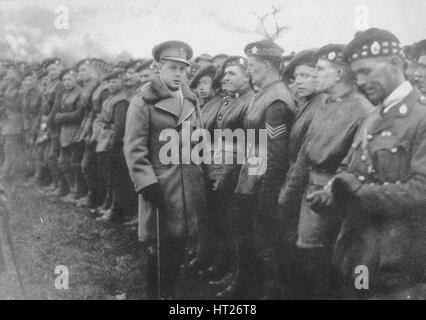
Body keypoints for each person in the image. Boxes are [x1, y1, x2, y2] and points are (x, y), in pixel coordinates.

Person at [307, 28, 426, 299]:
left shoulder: (421, 117)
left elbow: (422, 190)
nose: (360, 80)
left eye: (367, 71)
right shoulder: (374, 115)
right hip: (360, 251)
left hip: (399, 260)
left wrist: (358, 194)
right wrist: (331, 193)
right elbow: (350, 168)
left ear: (396, 64)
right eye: (357, 73)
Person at [279, 44, 373, 299]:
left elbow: (354, 167)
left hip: (329, 199)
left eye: (320, 69)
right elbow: (304, 156)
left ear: (340, 74)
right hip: (309, 192)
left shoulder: (363, 111)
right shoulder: (325, 103)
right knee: (306, 264)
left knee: (322, 267)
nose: (315, 74)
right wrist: (288, 194)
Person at [124, 40, 206, 299]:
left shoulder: (191, 100)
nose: (178, 75)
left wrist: (204, 172)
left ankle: (169, 295)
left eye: (183, 70)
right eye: (172, 68)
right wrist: (147, 183)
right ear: (158, 68)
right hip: (161, 187)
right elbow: (134, 148)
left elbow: (199, 140)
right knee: (159, 247)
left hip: (189, 185)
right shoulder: (143, 102)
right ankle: (155, 295)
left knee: (180, 245)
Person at [220, 40, 295, 299]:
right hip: (251, 174)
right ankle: (244, 285)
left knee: (263, 240)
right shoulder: (265, 93)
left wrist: (267, 195)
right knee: (247, 236)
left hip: (261, 180)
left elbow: (274, 155)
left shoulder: (277, 100)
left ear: (266, 65)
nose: (249, 71)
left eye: (251, 66)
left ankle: (267, 292)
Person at [95, 70, 136, 223]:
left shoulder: (121, 100)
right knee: (112, 177)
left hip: (115, 142)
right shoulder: (113, 98)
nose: (111, 85)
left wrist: (114, 145)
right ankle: (111, 207)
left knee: (118, 178)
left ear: (122, 82)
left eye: (114, 82)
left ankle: (116, 210)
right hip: (107, 138)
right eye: (109, 82)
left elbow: (120, 127)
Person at [0, 63, 25, 183]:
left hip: (14, 123)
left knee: (10, 149)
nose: (7, 74)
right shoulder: (9, 86)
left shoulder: (19, 88)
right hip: (8, 122)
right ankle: (9, 173)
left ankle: (5, 175)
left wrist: (4, 101)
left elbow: (18, 106)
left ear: (16, 74)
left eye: (10, 72)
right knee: (8, 149)